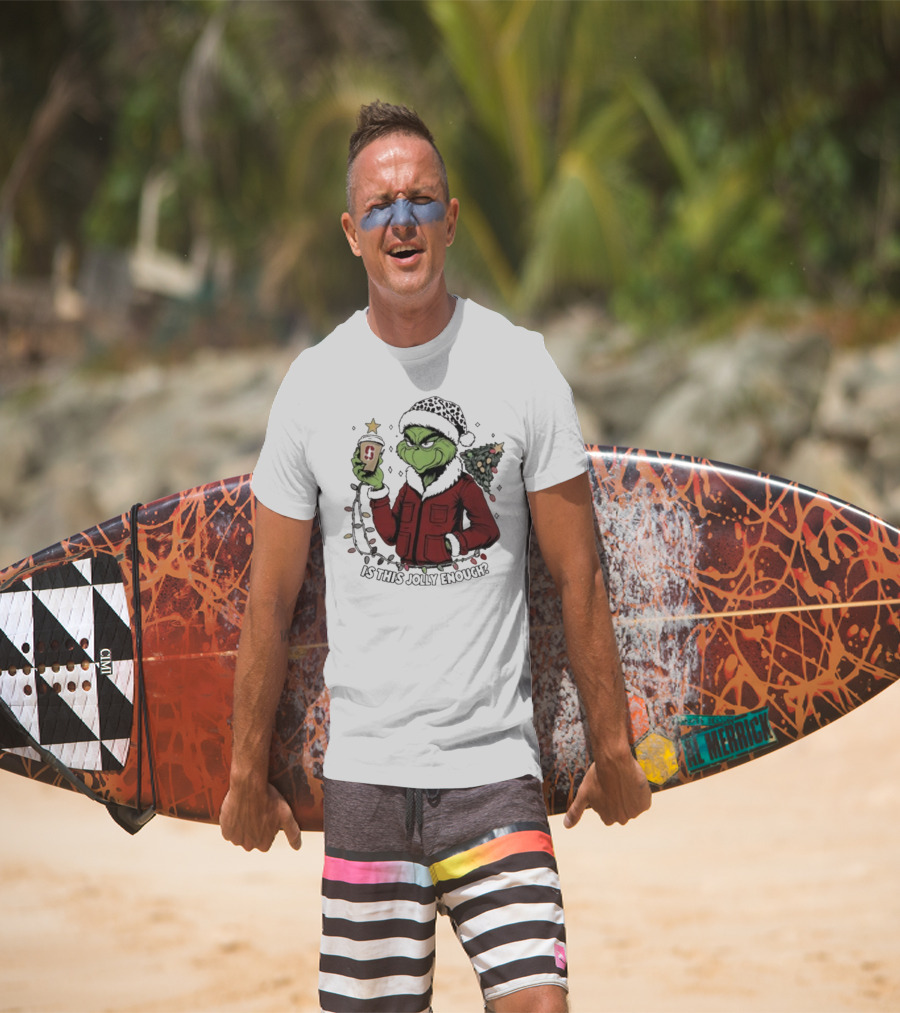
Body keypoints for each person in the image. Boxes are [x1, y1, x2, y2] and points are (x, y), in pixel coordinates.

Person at [220, 100, 651, 1013]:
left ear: (451, 219)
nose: (402, 220)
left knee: (540, 1003)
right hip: (368, 779)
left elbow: (580, 575)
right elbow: (269, 600)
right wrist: (242, 772)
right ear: (351, 232)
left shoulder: (522, 367)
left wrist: (612, 746)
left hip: (495, 772)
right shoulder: (314, 387)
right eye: (380, 206)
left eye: (421, 200)